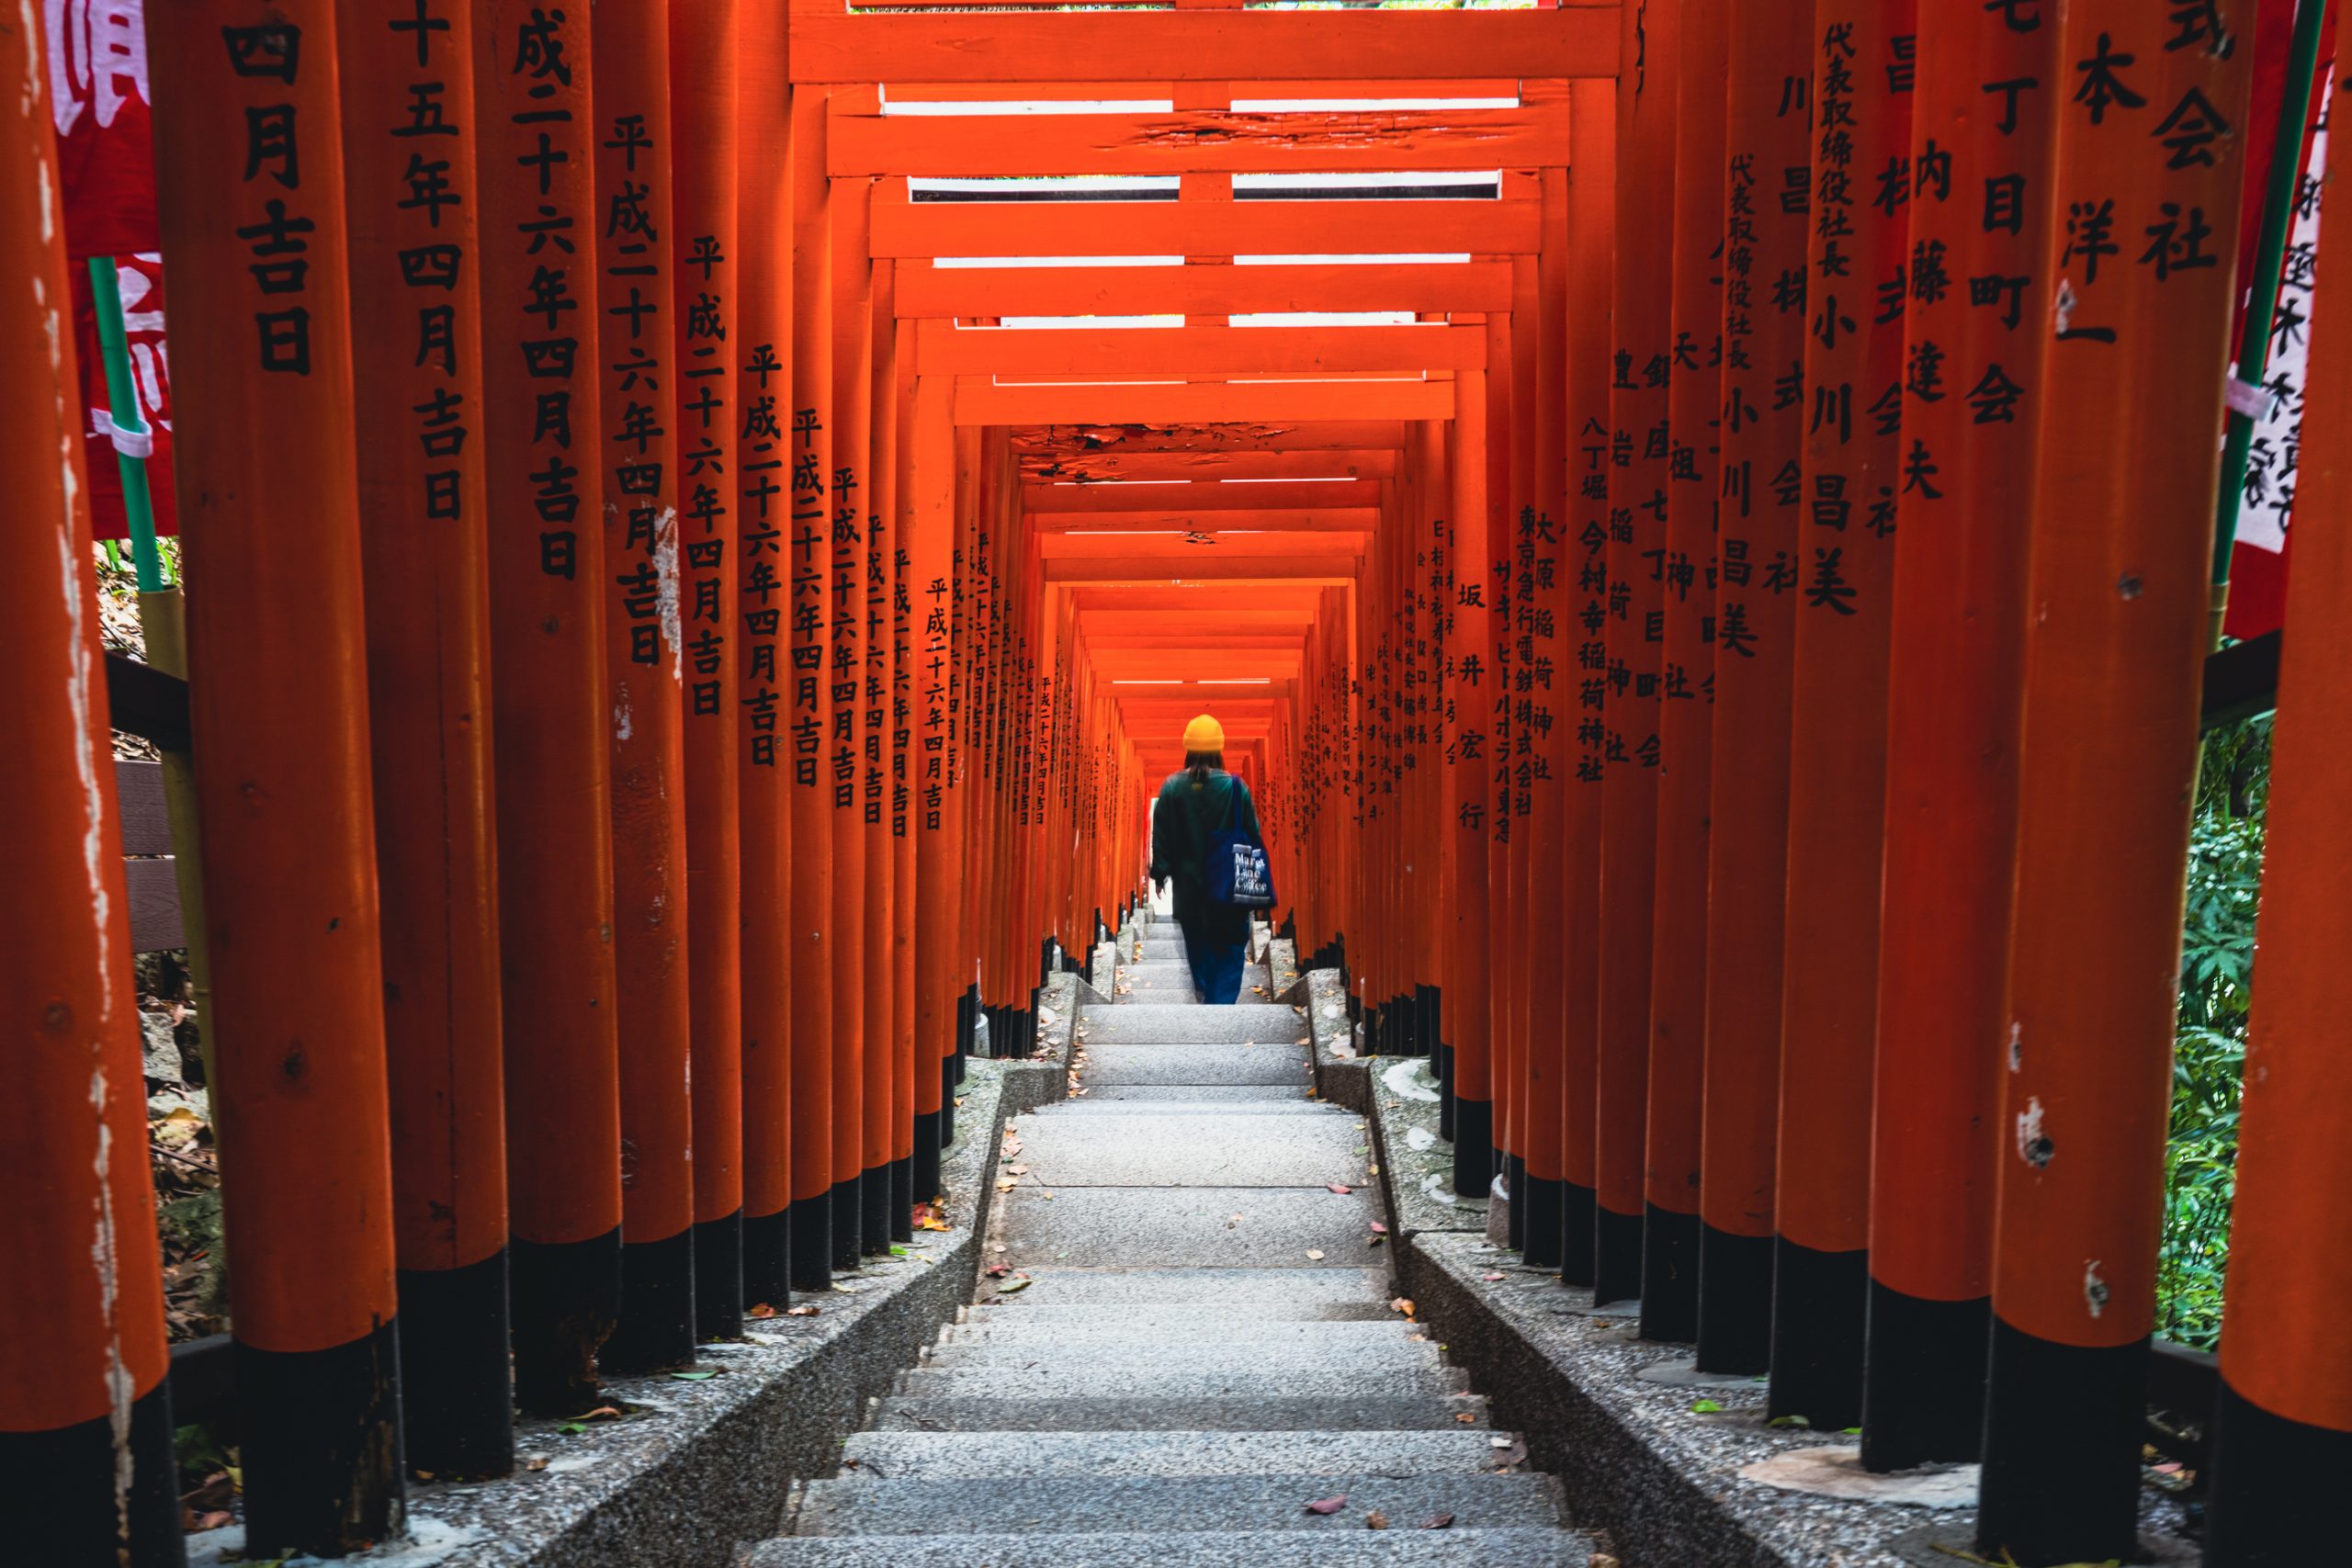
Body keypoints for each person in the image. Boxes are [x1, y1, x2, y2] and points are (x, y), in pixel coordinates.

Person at [1148, 714, 1265, 1006]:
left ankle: (1205, 991)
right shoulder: (1237, 788)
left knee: (1197, 944)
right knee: (1230, 946)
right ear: (1219, 749)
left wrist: (1160, 872)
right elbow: (1253, 836)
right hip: (1230, 887)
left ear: (1187, 748)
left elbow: (1162, 834)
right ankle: (1221, 1004)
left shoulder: (1173, 787)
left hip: (1189, 889)